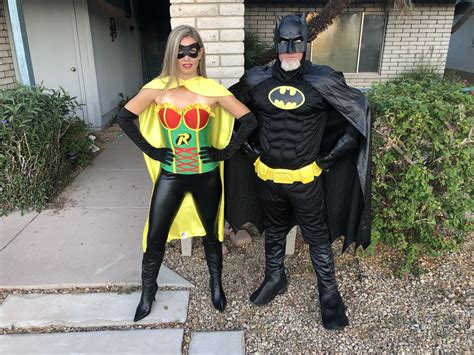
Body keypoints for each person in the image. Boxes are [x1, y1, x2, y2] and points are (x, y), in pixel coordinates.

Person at [227, 14, 371, 330]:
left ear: (307, 42)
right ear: (275, 42)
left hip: (307, 180)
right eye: (284, 42)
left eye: (297, 42)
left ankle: (329, 297)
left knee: (318, 239)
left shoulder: (324, 79)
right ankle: (275, 278)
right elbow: (233, 114)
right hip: (268, 179)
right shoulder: (256, 80)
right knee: (274, 230)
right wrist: (250, 153)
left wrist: (325, 161)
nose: (290, 50)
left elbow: (358, 120)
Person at [117, 25, 257, 322]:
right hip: (171, 175)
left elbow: (248, 120)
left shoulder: (212, 90)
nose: (187, 57)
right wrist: (154, 151)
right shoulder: (157, 88)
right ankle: (147, 292)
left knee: (212, 234)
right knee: (155, 235)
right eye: (180, 51)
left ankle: (216, 286)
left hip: (206, 176)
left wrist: (225, 152)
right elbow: (125, 118)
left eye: (193, 50)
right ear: (172, 53)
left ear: (201, 52)